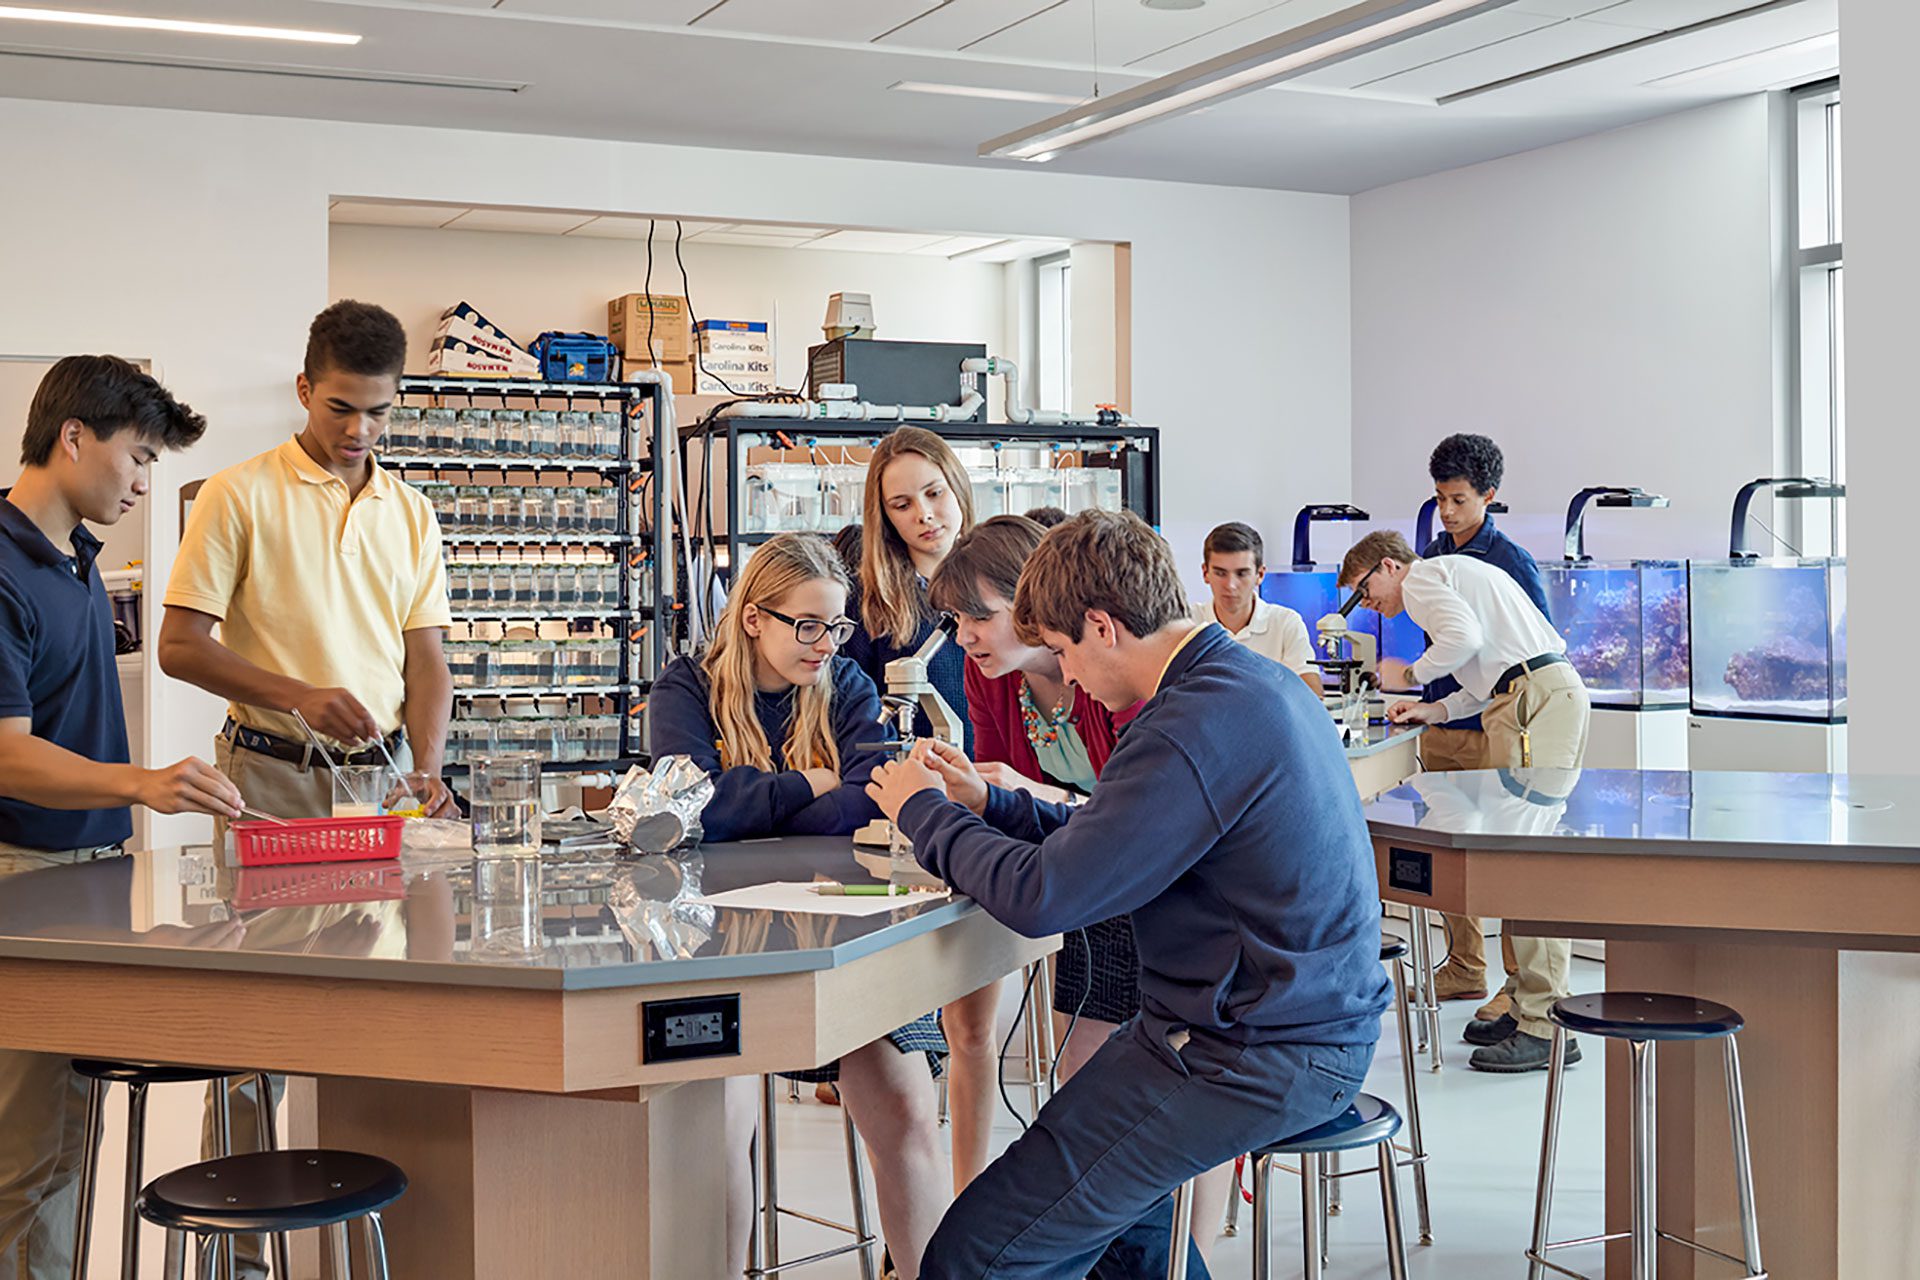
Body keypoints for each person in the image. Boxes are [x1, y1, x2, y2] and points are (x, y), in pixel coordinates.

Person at [868, 510, 1390, 1279]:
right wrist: (991, 803)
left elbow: (1045, 896)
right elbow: (1109, 838)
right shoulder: (1243, 684)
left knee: (975, 1256)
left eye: (1064, 651)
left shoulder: (1189, 724)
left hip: (1250, 1052)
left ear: (1103, 628)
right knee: (1129, 1239)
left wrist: (924, 814)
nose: (1067, 676)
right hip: (1268, 1028)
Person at [157, 300, 456, 1277]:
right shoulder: (236, 496)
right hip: (268, 786)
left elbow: (429, 663)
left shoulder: (410, 509)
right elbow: (179, 645)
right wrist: (302, 694)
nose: (358, 428)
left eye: (377, 409)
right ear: (303, 388)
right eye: (339, 406)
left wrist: (429, 763)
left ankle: (364, 1225)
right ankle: (243, 1257)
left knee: (385, 1009)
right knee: (259, 1023)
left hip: (379, 796)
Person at [0, 355, 243, 1280]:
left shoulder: (77, 557)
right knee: (22, 1163)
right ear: (72, 438)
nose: (146, 482)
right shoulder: (2, 568)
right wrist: (139, 783)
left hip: (85, 876)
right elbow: (7, 750)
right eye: (138, 458)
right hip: (22, 880)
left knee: (66, 1152)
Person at [649, 532, 948, 1279]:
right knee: (717, 1125)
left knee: (907, 1104)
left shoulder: (847, 684)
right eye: (806, 625)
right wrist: (809, 786)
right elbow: (689, 807)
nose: (824, 644)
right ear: (754, 617)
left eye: (836, 626)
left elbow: (871, 799)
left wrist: (754, 797)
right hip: (718, 939)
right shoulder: (685, 687)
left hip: (847, 927)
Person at [1340, 529, 1589, 1072]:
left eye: (1365, 591)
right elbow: (1484, 677)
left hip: (1533, 704)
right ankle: (1526, 1002)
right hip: (1525, 697)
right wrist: (1433, 710)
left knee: (1529, 860)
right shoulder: (1450, 580)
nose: (1371, 605)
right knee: (1517, 855)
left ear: (1388, 566)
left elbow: (1462, 640)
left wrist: (1407, 674)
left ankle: (1547, 1024)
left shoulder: (1425, 576)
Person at [843, 426, 1003, 1196]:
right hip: (908, 829)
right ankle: (921, 1218)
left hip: (991, 820)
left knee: (972, 1030)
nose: (923, 516)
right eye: (901, 505)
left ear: (957, 484)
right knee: (902, 1035)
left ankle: (970, 1210)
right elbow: (860, 728)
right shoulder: (877, 606)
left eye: (933, 495)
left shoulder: (1009, 583)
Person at [1406, 433, 1552, 1017]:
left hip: (1497, 719)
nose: (1447, 511)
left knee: (1514, 853)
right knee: (1449, 853)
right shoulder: (1434, 557)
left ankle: (1517, 986)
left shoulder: (1512, 562)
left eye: (1459, 499)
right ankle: (1464, 967)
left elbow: (1531, 646)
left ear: (1489, 496)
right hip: (1442, 718)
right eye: (1440, 498)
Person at [1190, 521, 1319, 696]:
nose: (1231, 585)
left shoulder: (1285, 623)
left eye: (1242, 573)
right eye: (1220, 573)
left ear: (1260, 575)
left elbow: (1311, 694)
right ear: (1205, 573)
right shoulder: (1188, 622)